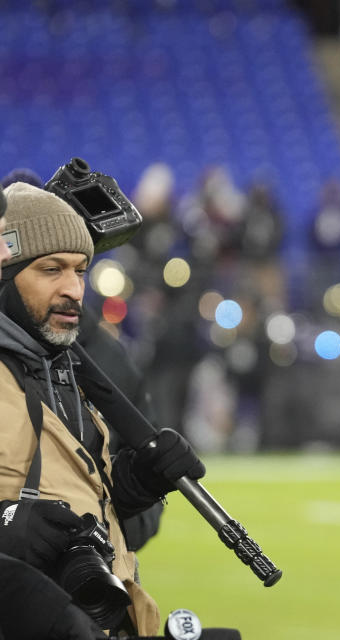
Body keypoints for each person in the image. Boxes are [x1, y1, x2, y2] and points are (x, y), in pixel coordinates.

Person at [0, 182, 206, 636]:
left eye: (80, 270)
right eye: (50, 269)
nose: (74, 289)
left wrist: (129, 489)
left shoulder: (63, 373)